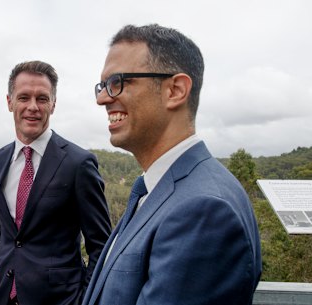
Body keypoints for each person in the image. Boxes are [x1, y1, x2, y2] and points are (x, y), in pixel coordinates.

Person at [82, 24, 262, 305]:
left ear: (175, 90)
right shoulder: (154, 189)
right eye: (102, 85)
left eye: (117, 82)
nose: (102, 98)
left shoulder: (204, 212)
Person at [0, 60, 112, 305]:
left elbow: (100, 244)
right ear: (9, 102)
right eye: (23, 98)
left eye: (42, 98)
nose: (33, 107)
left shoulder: (78, 164)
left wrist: (84, 300)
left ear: (53, 104)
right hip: (4, 297)